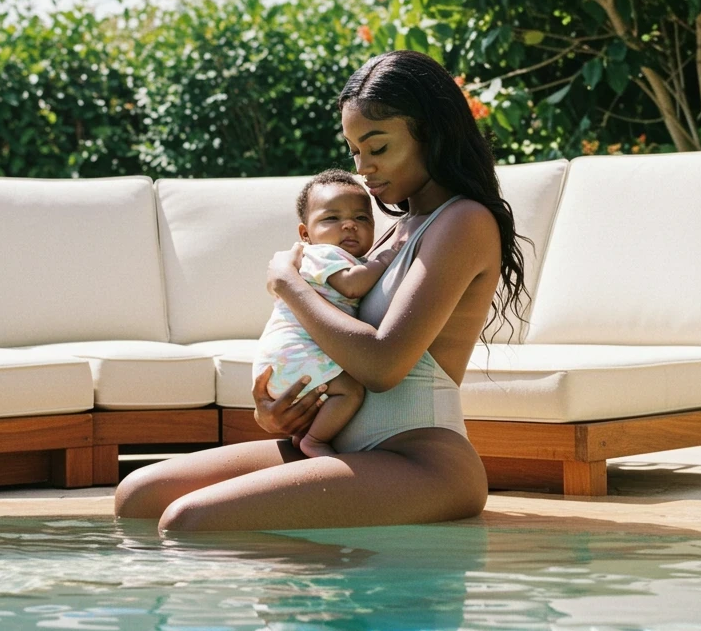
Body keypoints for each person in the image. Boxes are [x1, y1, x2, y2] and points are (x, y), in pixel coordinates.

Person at [114, 49, 528, 532]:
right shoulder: (390, 232)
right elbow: (332, 349)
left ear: (431, 133)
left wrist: (288, 285)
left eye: (378, 148)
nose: (364, 167)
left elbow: (382, 365)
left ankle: (322, 590)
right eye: (354, 151)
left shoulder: (463, 222)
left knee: (188, 520)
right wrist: (281, 414)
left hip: (423, 463)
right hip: (341, 447)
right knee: (137, 496)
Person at [253, 169, 404, 457]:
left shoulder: (345, 258)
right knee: (350, 390)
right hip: (294, 353)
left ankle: (305, 436)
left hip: (286, 358)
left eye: (361, 218)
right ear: (305, 233)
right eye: (332, 218)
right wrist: (386, 257)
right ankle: (315, 441)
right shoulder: (322, 254)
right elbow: (351, 285)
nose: (349, 225)